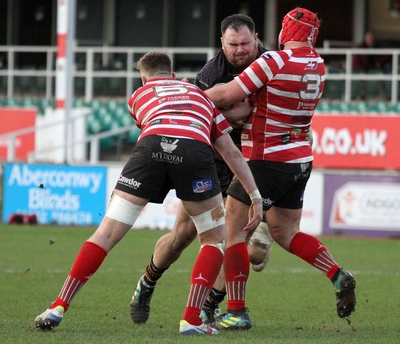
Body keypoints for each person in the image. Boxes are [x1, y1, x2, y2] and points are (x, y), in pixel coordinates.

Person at [34, 51, 263, 335]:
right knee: (214, 239)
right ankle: (191, 320)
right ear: (173, 73)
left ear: (144, 78)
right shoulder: (199, 94)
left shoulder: (138, 96)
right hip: (194, 149)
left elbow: (153, 128)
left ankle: (57, 306)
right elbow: (231, 152)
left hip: (151, 147)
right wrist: (254, 195)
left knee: (104, 234)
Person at [204, 7, 357, 330]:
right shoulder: (317, 65)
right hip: (300, 159)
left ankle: (237, 311)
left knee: (233, 234)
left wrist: (191, 98)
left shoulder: (275, 61)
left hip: (265, 159)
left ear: (286, 32)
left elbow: (229, 93)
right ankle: (337, 274)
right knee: (286, 233)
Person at [130, 14, 273, 327]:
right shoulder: (210, 74)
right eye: (233, 44)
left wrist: (238, 111)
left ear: (257, 39)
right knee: (182, 235)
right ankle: (147, 283)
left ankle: (210, 305)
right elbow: (203, 112)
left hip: (253, 161)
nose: (239, 50)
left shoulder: (270, 63)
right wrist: (241, 111)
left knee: (235, 238)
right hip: (213, 159)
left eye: (245, 44)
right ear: (221, 43)